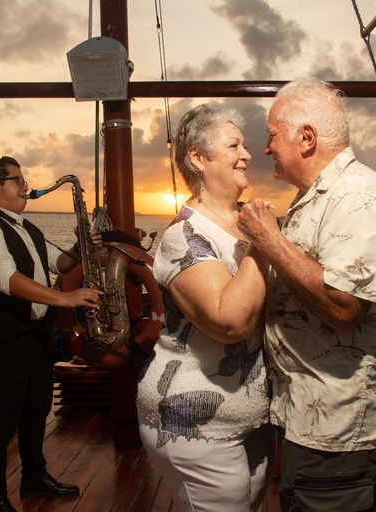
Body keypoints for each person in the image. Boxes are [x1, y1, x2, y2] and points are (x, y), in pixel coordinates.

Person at [238, 77, 376, 511]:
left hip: (339, 431)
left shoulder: (357, 197)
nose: (266, 148)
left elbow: (344, 306)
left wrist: (269, 240)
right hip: (313, 419)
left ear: (307, 137)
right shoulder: (321, 195)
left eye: (272, 136)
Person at [136, 104, 275, 512]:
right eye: (234, 145)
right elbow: (229, 322)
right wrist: (264, 245)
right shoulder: (185, 234)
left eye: (245, 144)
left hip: (251, 417)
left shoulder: (244, 220)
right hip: (195, 425)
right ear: (197, 157)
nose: (247, 154)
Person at [0, 156, 101, 512]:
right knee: (1, 422)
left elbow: (61, 265)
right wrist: (65, 297)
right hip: (7, 341)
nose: (26, 187)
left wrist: (82, 246)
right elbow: (4, 278)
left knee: (36, 412)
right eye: (18, 180)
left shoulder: (28, 228)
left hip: (37, 336)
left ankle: (33, 478)